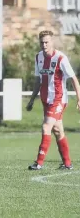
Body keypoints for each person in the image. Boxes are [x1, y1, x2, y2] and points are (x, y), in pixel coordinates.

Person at [27, 30, 80, 170]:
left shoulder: (60, 58)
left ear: (52, 41)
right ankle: (67, 163)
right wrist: (32, 100)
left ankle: (38, 163)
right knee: (57, 130)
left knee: (46, 126)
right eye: (42, 42)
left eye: (46, 42)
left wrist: (79, 99)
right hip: (46, 99)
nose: (44, 45)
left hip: (58, 99)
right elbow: (38, 80)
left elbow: (73, 78)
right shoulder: (38, 57)